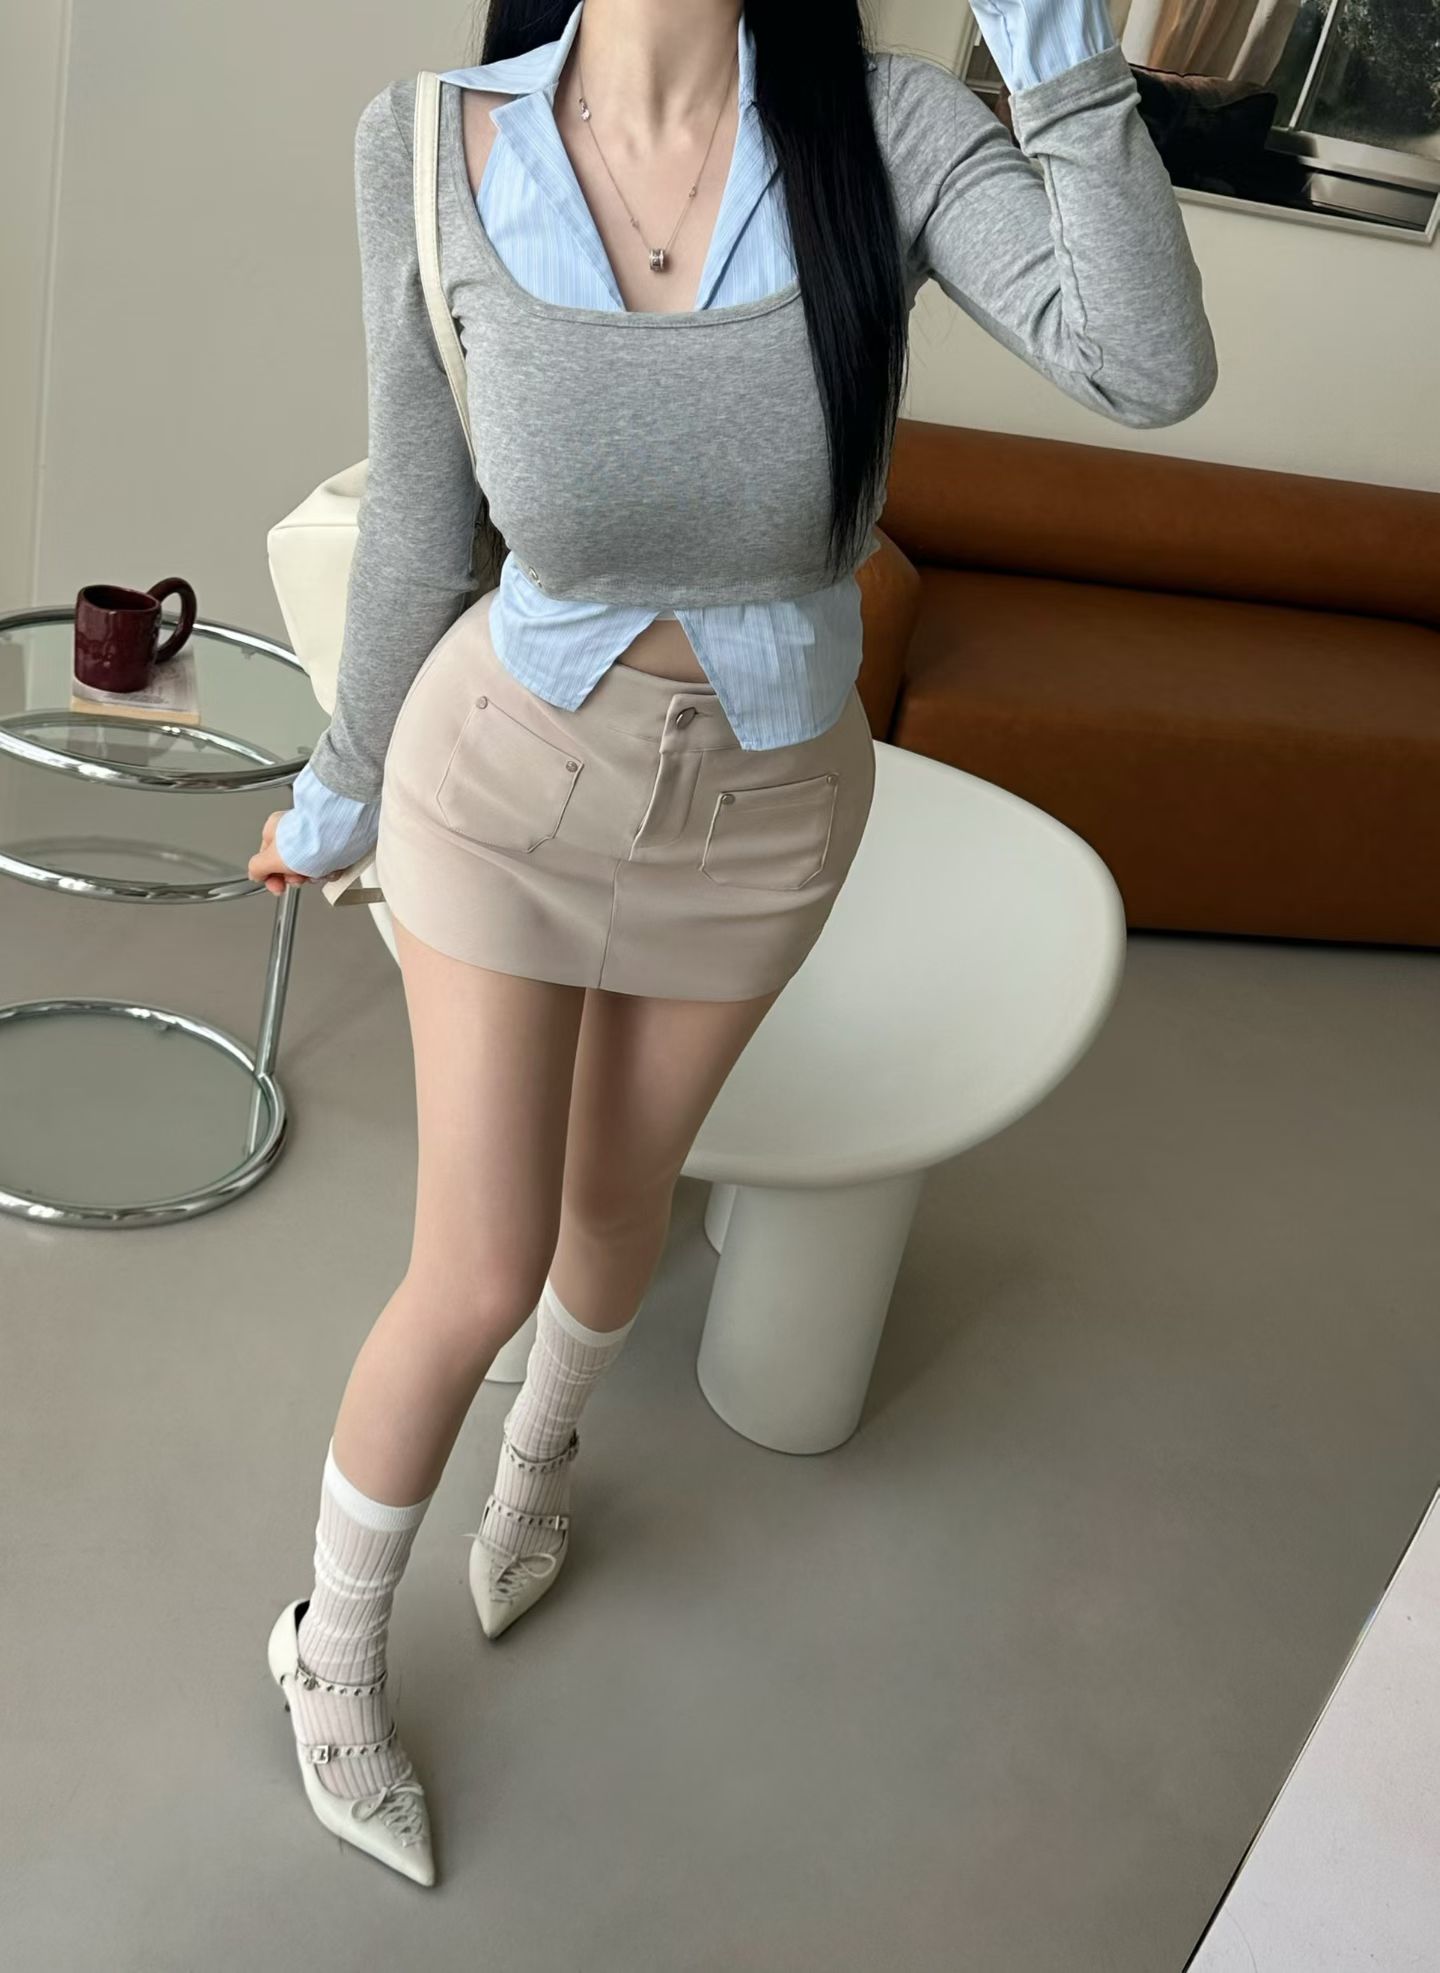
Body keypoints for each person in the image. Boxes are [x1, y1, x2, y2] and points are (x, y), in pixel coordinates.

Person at [250, 0, 1217, 1886]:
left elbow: (1147, 364)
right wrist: (340, 792)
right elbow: (421, 524)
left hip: (761, 816)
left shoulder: (887, 135)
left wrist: (1056, 44)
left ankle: (539, 1474)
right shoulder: (430, 141)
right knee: (480, 1260)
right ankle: (331, 1649)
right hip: (503, 788)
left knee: (623, 1203)